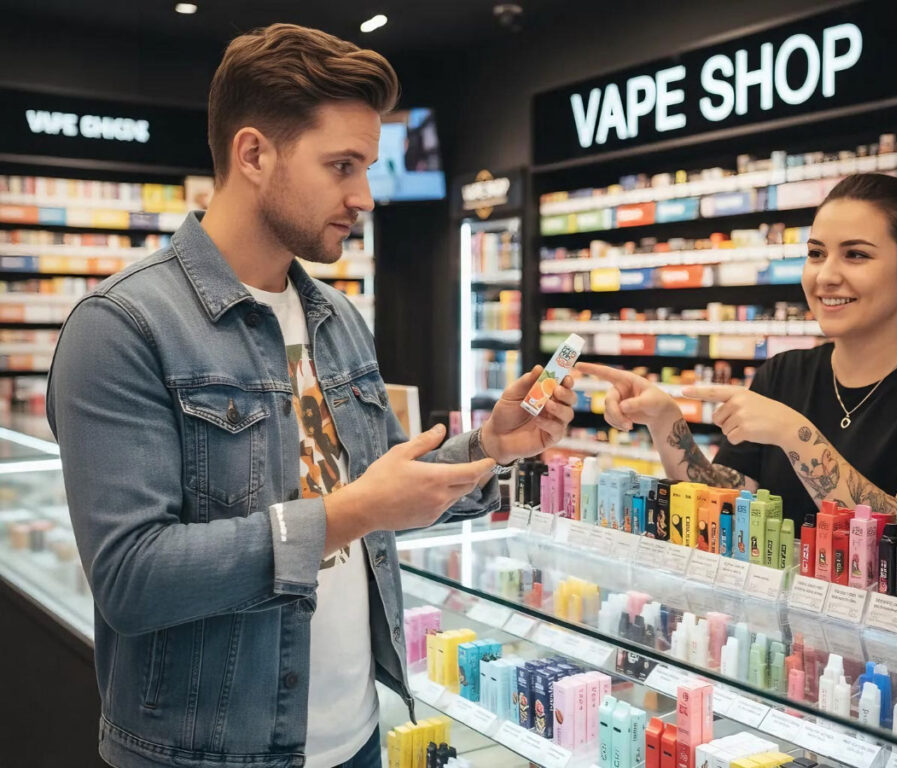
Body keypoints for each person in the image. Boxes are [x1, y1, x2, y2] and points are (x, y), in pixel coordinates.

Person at [46, 23, 576, 768]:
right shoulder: (122, 326)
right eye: (342, 166)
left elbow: (386, 485)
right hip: (210, 754)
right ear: (253, 154)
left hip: (357, 736)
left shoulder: (336, 316)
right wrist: (353, 511)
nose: (365, 196)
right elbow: (133, 579)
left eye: (368, 168)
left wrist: (490, 446)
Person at [579, 173, 897, 531]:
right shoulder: (783, 373)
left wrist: (796, 435)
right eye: (816, 253)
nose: (826, 275)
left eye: (856, 255)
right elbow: (727, 503)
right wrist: (665, 421)